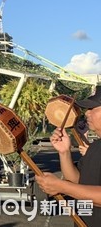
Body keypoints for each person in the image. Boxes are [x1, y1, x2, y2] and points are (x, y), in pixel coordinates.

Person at [36, 87, 101, 224]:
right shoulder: (95, 147)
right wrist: (64, 152)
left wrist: (62, 187)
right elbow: (78, 181)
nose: (87, 114)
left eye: (92, 108)